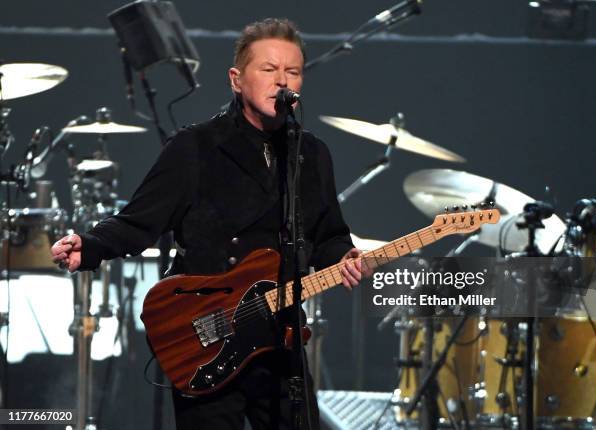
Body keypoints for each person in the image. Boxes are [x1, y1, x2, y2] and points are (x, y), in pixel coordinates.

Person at [51, 18, 364, 430]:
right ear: (237, 79)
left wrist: (345, 257)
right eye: (269, 70)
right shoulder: (195, 146)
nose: (281, 81)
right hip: (208, 334)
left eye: (292, 71)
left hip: (279, 340)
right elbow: (139, 220)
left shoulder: (312, 154)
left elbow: (329, 234)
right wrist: (89, 246)